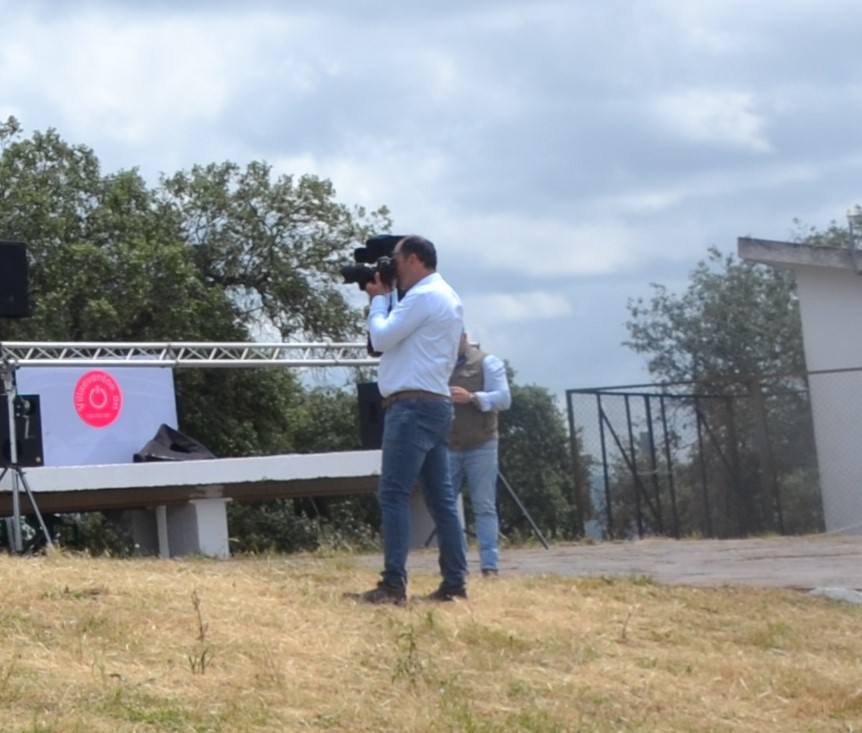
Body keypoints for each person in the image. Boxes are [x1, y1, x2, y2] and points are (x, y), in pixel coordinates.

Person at [356, 235, 468, 604]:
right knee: (441, 501)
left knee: (393, 494)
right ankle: (454, 583)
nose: (394, 268)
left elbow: (382, 337)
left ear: (416, 259)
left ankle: (393, 585)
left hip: (412, 407)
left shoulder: (422, 296)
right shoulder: (447, 295)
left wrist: (379, 300)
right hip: (436, 403)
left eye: (398, 260)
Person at [448, 332, 511, 576]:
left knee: (484, 505)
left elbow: (504, 398)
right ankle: (456, 563)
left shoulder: (488, 362)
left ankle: (489, 565)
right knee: (446, 507)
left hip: (481, 443)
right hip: (447, 444)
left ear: (463, 337)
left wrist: (473, 397)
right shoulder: (437, 364)